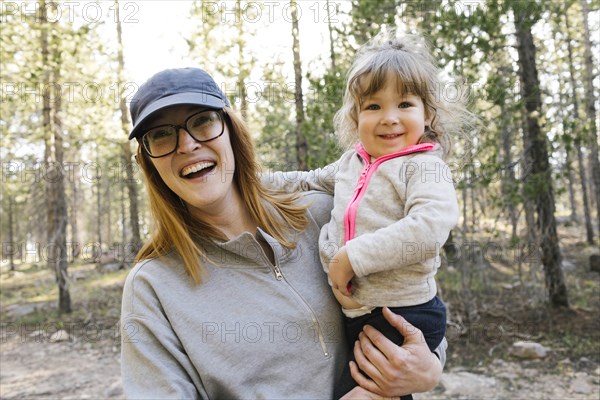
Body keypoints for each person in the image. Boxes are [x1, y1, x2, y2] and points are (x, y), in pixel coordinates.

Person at [120, 67, 447, 399]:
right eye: (161, 134)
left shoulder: (321, 212)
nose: (187, 144)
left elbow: (412, 299)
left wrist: (428, 367)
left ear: (230, 130)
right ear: (148, 161)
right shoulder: (154, 287)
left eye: (202, 120)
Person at [264, 31, 469, 399]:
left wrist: (351, 258)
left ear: (427, 112)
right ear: (355, 116)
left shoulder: (423, 166)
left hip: (405, 313)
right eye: (373, 107)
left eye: (404, 104)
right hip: (359, 315)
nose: (389, 118)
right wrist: (249, 181)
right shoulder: (352, 163)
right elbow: (307, 181)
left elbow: (429, 228)